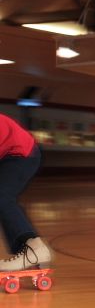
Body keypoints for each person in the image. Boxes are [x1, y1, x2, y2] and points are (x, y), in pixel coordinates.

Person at [0, 113, 53, 271]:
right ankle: (28, 250)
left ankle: (35, 248)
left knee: (2, 197)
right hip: (7, 153)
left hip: (21, 153)